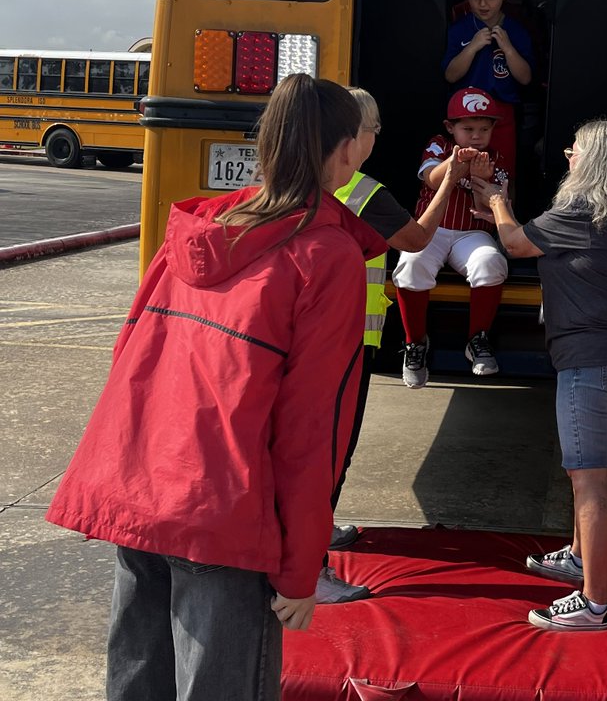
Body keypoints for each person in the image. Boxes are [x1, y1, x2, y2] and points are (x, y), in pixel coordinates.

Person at [44, 74, 389, 701]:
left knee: (135, 685)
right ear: (345, 150)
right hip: (228, 515)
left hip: (139, 494)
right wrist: (301, 565)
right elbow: (311, 427)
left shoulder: (197, 230)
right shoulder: (325, 256)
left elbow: (130, 357)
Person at [472, 119, 607, 632]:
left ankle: (595, 603)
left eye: (576, 147)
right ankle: (577, 556)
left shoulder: (576, 209)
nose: (569, 152)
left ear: (592, 159)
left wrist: (500, 200)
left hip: (589, 357)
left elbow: (515, 244)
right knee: (582, 469)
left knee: (588, 479)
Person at [323, 87, 472, 582]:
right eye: (374, 129)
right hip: (348, 343)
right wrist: (449, 180)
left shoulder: (298, 183)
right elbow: (418, 239)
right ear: (355, 137)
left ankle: (311, 534)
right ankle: (312, 560)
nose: (376, 138)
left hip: (303, 338)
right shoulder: (365, 193)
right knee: (333, 450)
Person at [392, 86, 511, 387]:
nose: (476, 135)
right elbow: (431, 179)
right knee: (410, 265)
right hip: (429, 231)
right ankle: (415, 342)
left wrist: (482, 177)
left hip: (472, 233)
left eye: (484, 128)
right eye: (467, 128)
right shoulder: (438, 146)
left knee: (491, 262)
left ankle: (477, 340)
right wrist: (455, 164)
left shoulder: (496, 157)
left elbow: (488, 208)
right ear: (450, 127)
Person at [442, 0, 533, 171]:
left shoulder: (517, 32)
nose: (483, 3)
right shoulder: (459, 30)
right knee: (464, 171)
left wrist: (508, 49)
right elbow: (450, 75)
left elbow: (526, 78)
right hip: (465, 115)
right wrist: (472, 47)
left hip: (501, 115)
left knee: (504, 172)